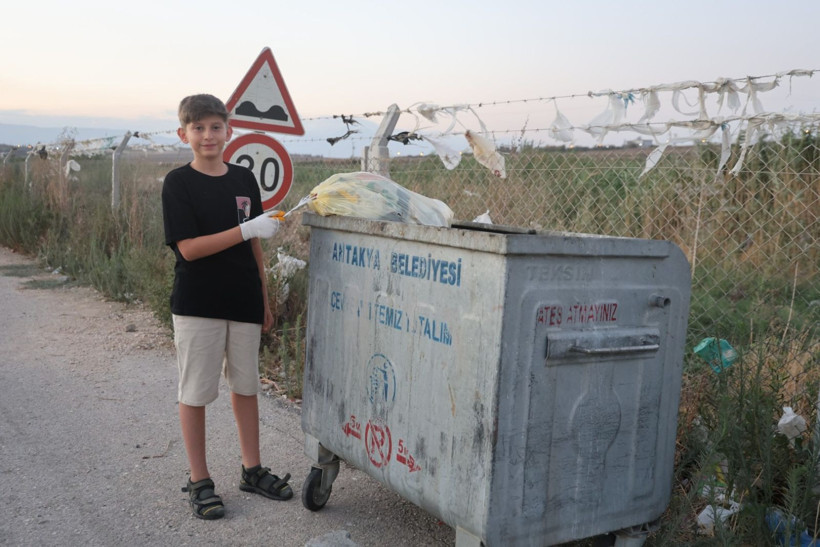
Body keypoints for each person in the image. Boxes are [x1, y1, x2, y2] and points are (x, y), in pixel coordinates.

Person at [161, 93, 292, 520]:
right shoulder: (178, 183)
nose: (208, 135)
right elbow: (189, 249)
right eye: (198, 128)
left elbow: (255, 245)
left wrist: (264, 298)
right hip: (198, 304)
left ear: (229, 131)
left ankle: (252, 470)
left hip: (244, 300)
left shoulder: (244, 179)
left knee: (246, 386)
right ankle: (199, 479)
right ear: (183, 134)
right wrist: (246, 229)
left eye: (215, 127)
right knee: (195, 391)